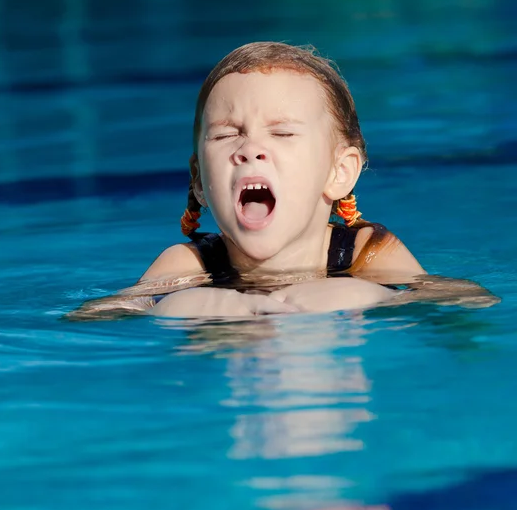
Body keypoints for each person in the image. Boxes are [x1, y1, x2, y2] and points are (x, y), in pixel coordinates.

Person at [67, 42, 497, 321]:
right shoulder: (192, 264)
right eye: (226, 133)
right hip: (231, 371)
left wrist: (373, 297)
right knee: (190, 303)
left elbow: (467, 302)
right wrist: (200, 307)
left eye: (282, 133)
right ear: (199, 182)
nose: (250, 148)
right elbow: (96, 316)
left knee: (346, 296)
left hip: (329, 372)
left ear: (339, 172)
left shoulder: (365, 251)